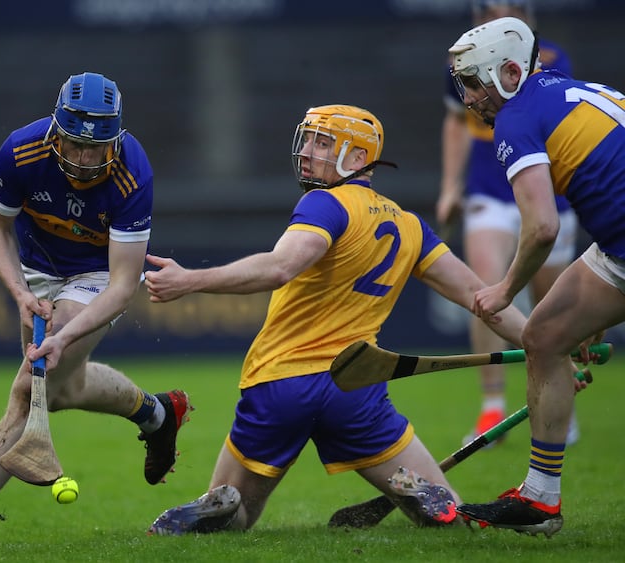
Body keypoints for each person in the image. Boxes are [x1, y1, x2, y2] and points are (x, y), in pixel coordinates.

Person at [140, 104, 529, 535]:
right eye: (307, 140)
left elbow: (279, 268)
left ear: (359, 158)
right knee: (452, 517)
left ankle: (221, 507)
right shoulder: (411, 226)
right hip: (355, 389)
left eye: (321, 143)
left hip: (281, 384)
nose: (306, 151)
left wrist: (190, 281)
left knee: (240, 516)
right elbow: (484, 299)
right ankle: (423, 495)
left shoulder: (324, 205)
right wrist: (546, 347)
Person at [0, 72, 192, 550]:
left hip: (97, 276)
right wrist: (20, 293)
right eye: (74, 145)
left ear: (117, 139)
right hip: (34, 269)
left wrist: (64, 334)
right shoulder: (21, 152)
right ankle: (156, 413)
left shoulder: (134, 174)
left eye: (98, 148)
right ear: (55, 132)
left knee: (31, 384)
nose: (86, 160)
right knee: (65, 387)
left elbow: (125, 284)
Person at [445, 16, 625, 537]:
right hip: (616, 248)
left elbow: (543, 227)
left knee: (541, 333)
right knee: (544, 337)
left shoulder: (515, 118)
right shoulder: (567, 88)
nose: (470, 97)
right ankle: (541, 500)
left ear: (506, 72)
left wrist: (503, 290)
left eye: (476, 82)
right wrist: (591, 317)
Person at [435, 0, 579, 446]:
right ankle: (492, 407)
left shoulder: (549, 59)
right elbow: (457, 122)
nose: (496, 18)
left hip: (545, 192)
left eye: (509, 10)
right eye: (488, 11)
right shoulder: (461, 61)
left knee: (550, 304)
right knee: (485, 284)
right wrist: (450, 186)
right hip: (490, 190)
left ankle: (557, 400)